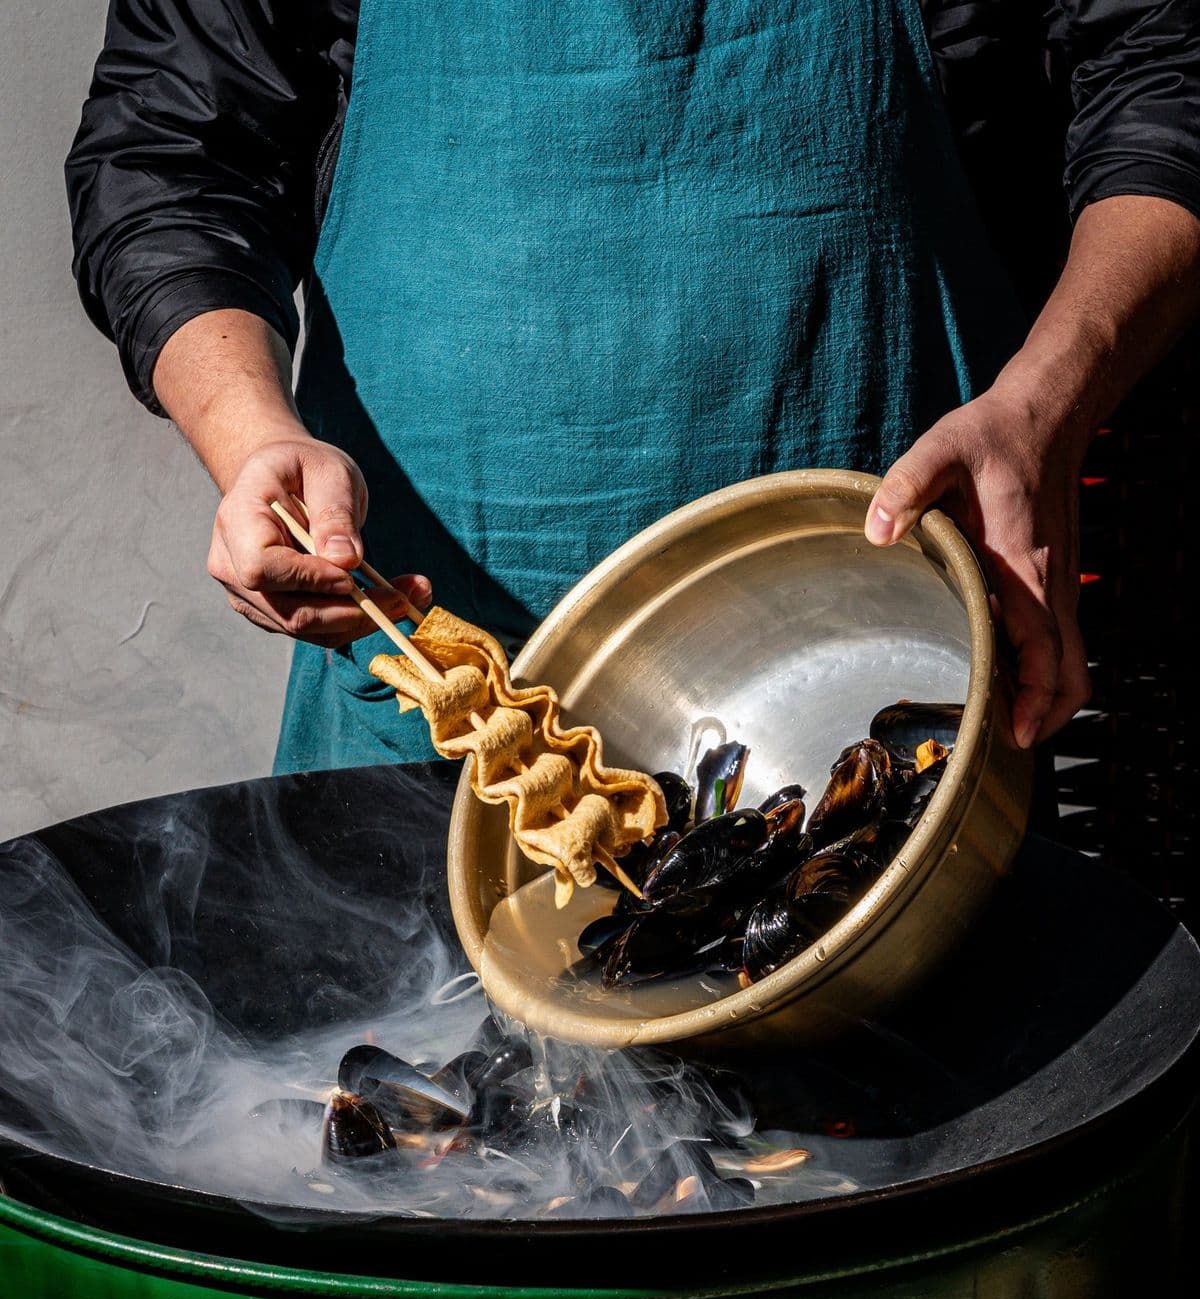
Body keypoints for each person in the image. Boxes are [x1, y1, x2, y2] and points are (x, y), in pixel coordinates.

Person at [67, 2, 1200, 775]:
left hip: (897, 702)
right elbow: (170, 156)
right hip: (439, 710)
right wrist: (249, 433)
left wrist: (1048, 405)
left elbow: (1166, 79)